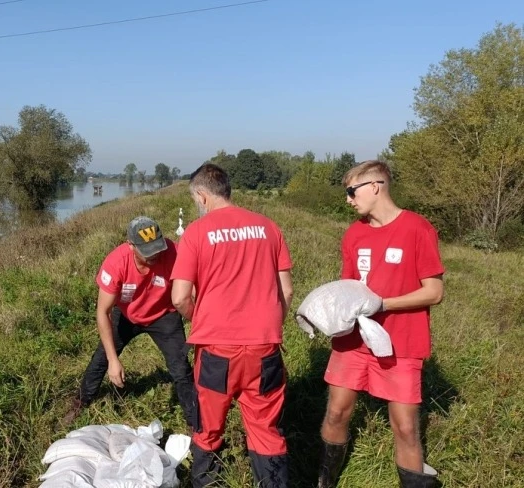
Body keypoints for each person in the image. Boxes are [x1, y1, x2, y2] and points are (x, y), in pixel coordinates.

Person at [318, 160, 444, 488]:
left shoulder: (417, 228)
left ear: (375, 186)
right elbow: (348, 287)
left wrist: (384, 304)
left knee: (405, 427)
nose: (348, 199)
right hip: (352, 342)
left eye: (351, 191)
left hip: (401, 344)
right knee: (336, 412)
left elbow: (434, 292)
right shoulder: (354, 233)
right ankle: (325, 481)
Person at [170, 163, 294, 487]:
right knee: (267, 431)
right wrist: (268, 326)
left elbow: (179, 297)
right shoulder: (269, 227)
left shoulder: (196, 232)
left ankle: (208, 482)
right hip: (264, 348)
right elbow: (287, 291)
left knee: (208, 429)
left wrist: (200, 319)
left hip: (217, 352)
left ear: (201, 196)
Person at [63, 216, 197, 430]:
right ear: (131, 245)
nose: (154, 255)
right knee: (101, 359)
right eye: (147, 251)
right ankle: (81, 401)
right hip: (127, 314)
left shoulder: (173, 252)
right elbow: (103, 312)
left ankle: (194, 422)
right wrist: (113, 360)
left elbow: (193, 283)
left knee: (180, 367)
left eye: (157, 248)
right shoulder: (116, 263)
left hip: (164, 314)